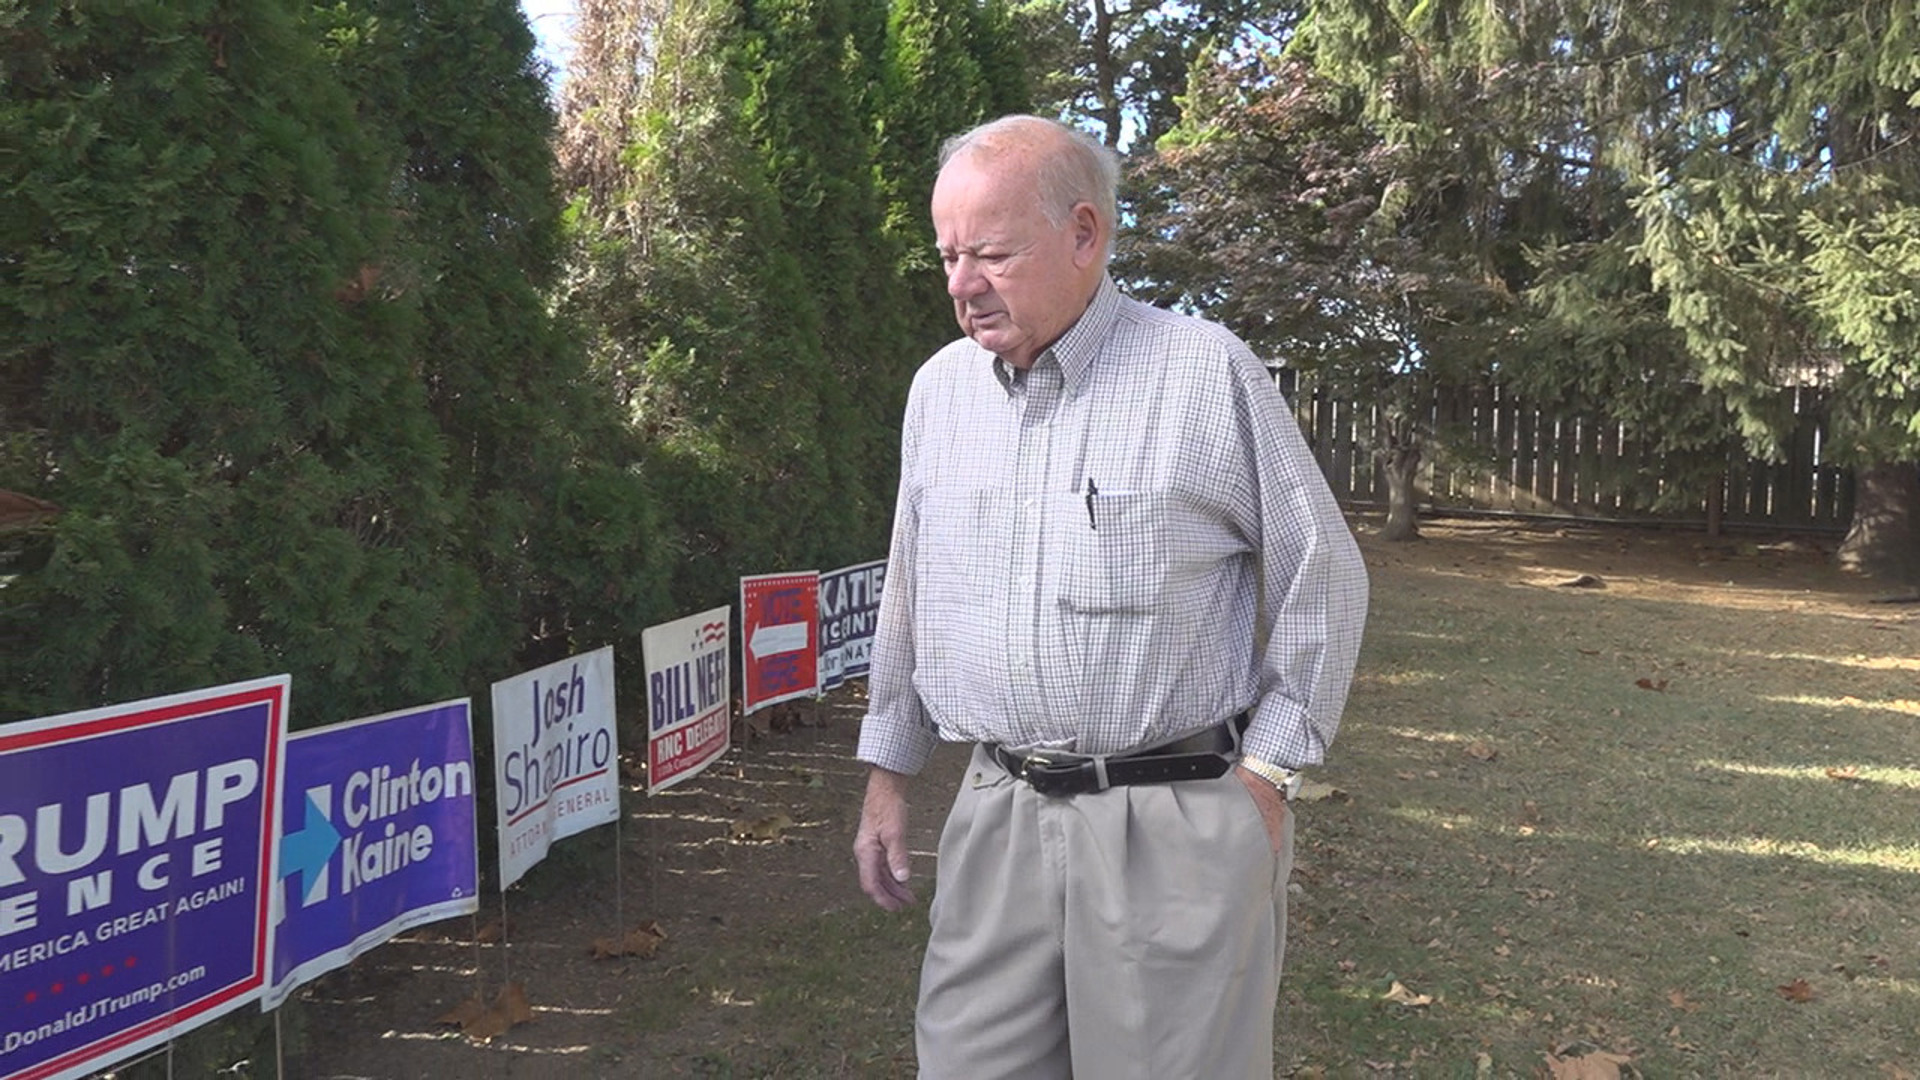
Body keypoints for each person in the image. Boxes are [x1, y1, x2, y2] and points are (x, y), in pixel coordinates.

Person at [852, 114, 1369, 1080]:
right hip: (995, 813)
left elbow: (1324, 573)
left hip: (1170, 827)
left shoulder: (1201, 373)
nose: (962, 284)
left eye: (993, 254)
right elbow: (910, 589)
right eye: (949, 255)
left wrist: (1272, 770)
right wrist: (889, 774)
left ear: (1084, 234)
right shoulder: (940, 392)